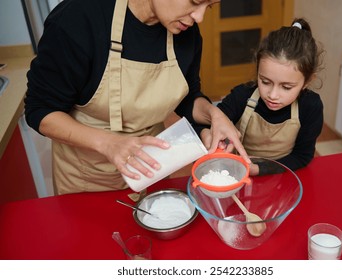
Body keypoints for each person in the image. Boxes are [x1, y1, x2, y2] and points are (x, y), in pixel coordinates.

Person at [24, 0, 249, 195]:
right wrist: (110, 144)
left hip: (151, 168)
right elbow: (40, 110)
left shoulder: (186, 34)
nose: (199, 17)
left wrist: (213, 114)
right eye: (194, 1)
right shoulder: (79, 20)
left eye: (209, 6)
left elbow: (187, 97)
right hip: (88, 178)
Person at [199, 18, 324, 176]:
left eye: (286, 87)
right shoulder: (241, 96)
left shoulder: (310, 106)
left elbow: (301, 156)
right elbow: (208, 123)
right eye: (265, 82)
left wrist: (258, 169)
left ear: (307, 82)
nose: (272, 95)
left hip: (283, 174)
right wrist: (209, 135)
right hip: (236, 173)